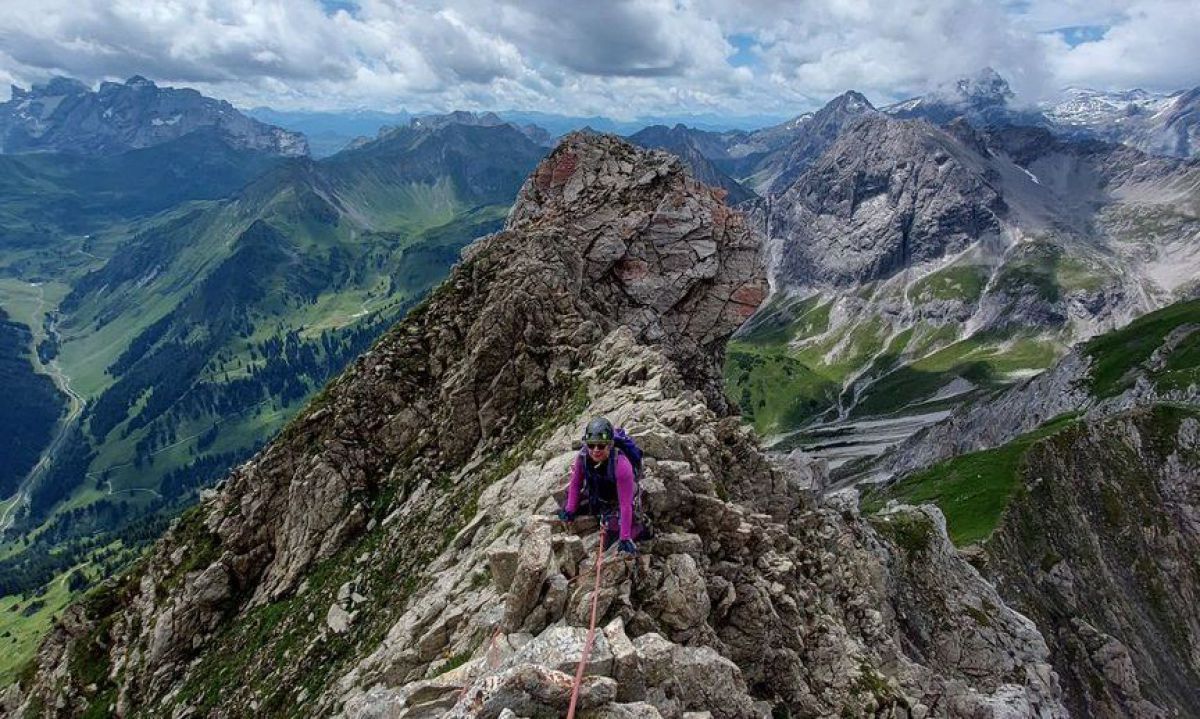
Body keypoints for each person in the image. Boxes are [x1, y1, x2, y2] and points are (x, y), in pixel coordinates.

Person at [557, 417, 641, 555]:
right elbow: (576, 484)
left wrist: (625, 538)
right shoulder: (583, 456)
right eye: (591, 445)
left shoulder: (621, 465)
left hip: (618, 499)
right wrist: (570, 511)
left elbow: (625, 504)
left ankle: (639, 529)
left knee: (613, 534)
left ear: (610, 445)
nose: (596, 450)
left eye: (601, 445)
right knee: (564, 504)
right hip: (597, 494)